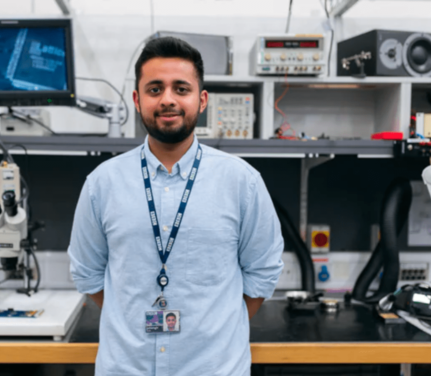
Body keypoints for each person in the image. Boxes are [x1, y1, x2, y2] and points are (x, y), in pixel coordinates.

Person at [68, 36, 284, 376]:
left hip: (213, 368)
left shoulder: (242, 182)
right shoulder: (102, 183)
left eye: (180, 89)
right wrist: (128, 318)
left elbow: (263, 271)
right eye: (155, 89)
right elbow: (87, 271)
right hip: (127, 367)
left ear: (201, 100)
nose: (168, 99)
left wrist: (212, 329)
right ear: (137, 100)